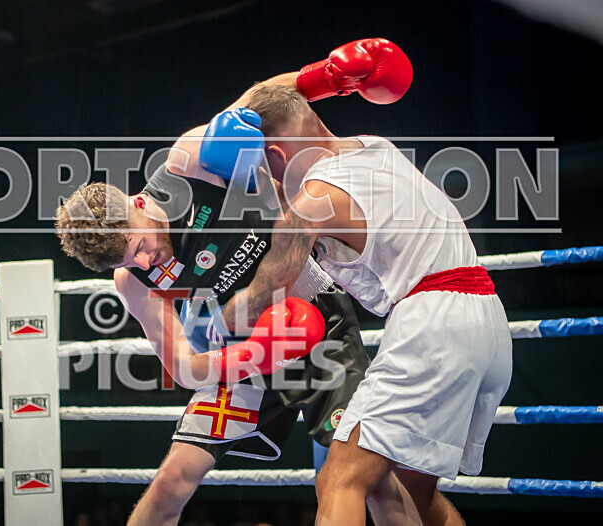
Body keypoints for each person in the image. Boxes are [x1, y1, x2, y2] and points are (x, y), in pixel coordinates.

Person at [55, 38, 421, 526]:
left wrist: (327, 78)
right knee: (171, 480)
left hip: (318, 324)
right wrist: (252, 354)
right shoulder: (134, 282)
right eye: (130, 259)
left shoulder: (191, 160)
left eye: (139, 244)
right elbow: (184, 367)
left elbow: (265, 96)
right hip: (243, 355)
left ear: (137, 204)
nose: (145, 258)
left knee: (371, 479)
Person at [211, 45, 512, 525]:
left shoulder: (313, 199)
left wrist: (210, 322)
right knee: (414, 491)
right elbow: (274, 101)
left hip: (433, 326)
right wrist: (322, 78)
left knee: (339, 479)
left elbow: (265, 290)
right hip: (489, 324)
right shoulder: (375, 145)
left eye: (262, 168)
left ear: (271, 153)